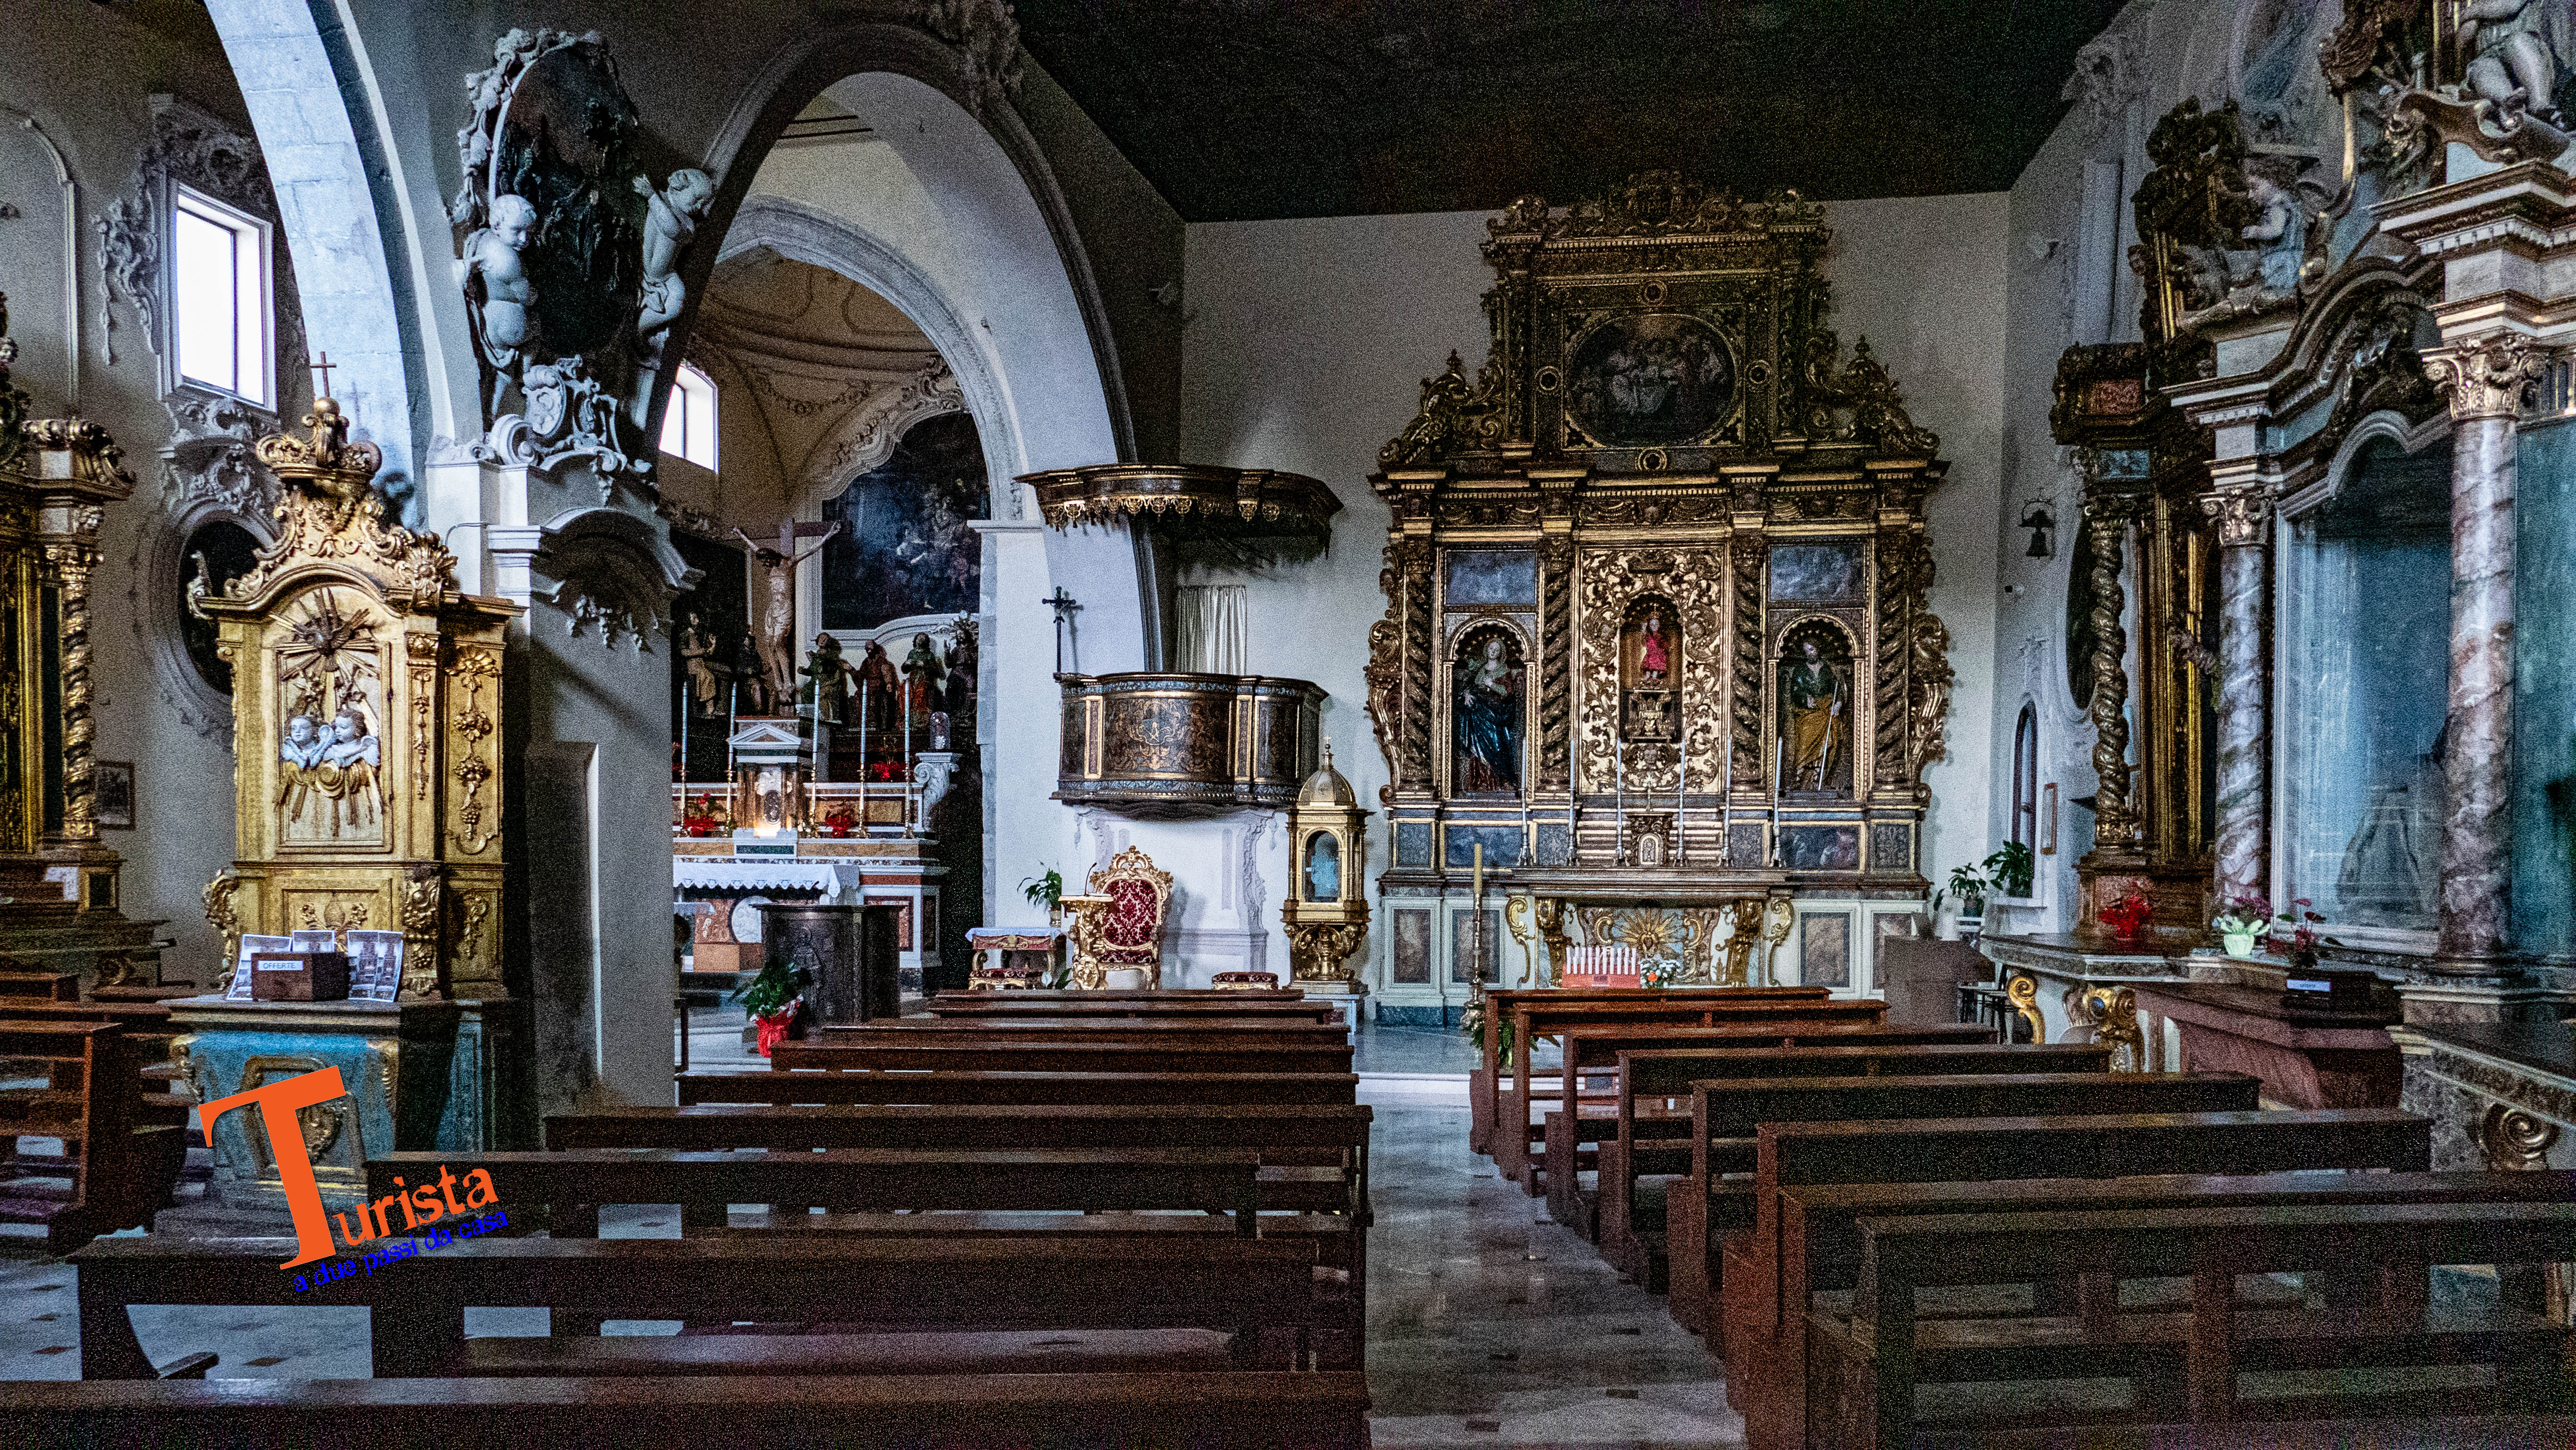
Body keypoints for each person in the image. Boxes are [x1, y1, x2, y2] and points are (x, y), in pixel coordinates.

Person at [1453, 635, 1522, 795]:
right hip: (1477, 714)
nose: (1493, 652)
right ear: (1486, 650)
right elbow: (1469, 687)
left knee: (1497, 748)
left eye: (1496, 650)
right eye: (1491, 649)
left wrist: (1492, 685)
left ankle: (1498, 782)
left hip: (1494, 715)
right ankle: (1480, 781)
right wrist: (1467, 694)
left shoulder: (1504, 670)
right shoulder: (1479, 670)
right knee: (1477, 749)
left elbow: (1508, 693)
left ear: (1500, 653)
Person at [1784, 638, 1844, 791]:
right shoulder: (1800, 670)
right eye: (1806, 651)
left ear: (1818, 649)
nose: (1809, 653)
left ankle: (1818, 777)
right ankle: (1798, 776)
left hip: (1825, 710)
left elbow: (1836, 689)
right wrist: (1806, 698)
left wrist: (1838, 704)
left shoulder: (1826, 669)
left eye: (1811, 649)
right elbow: (1795, 691)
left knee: (1830, 733)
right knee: (1805, 740)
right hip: (1807, 714)